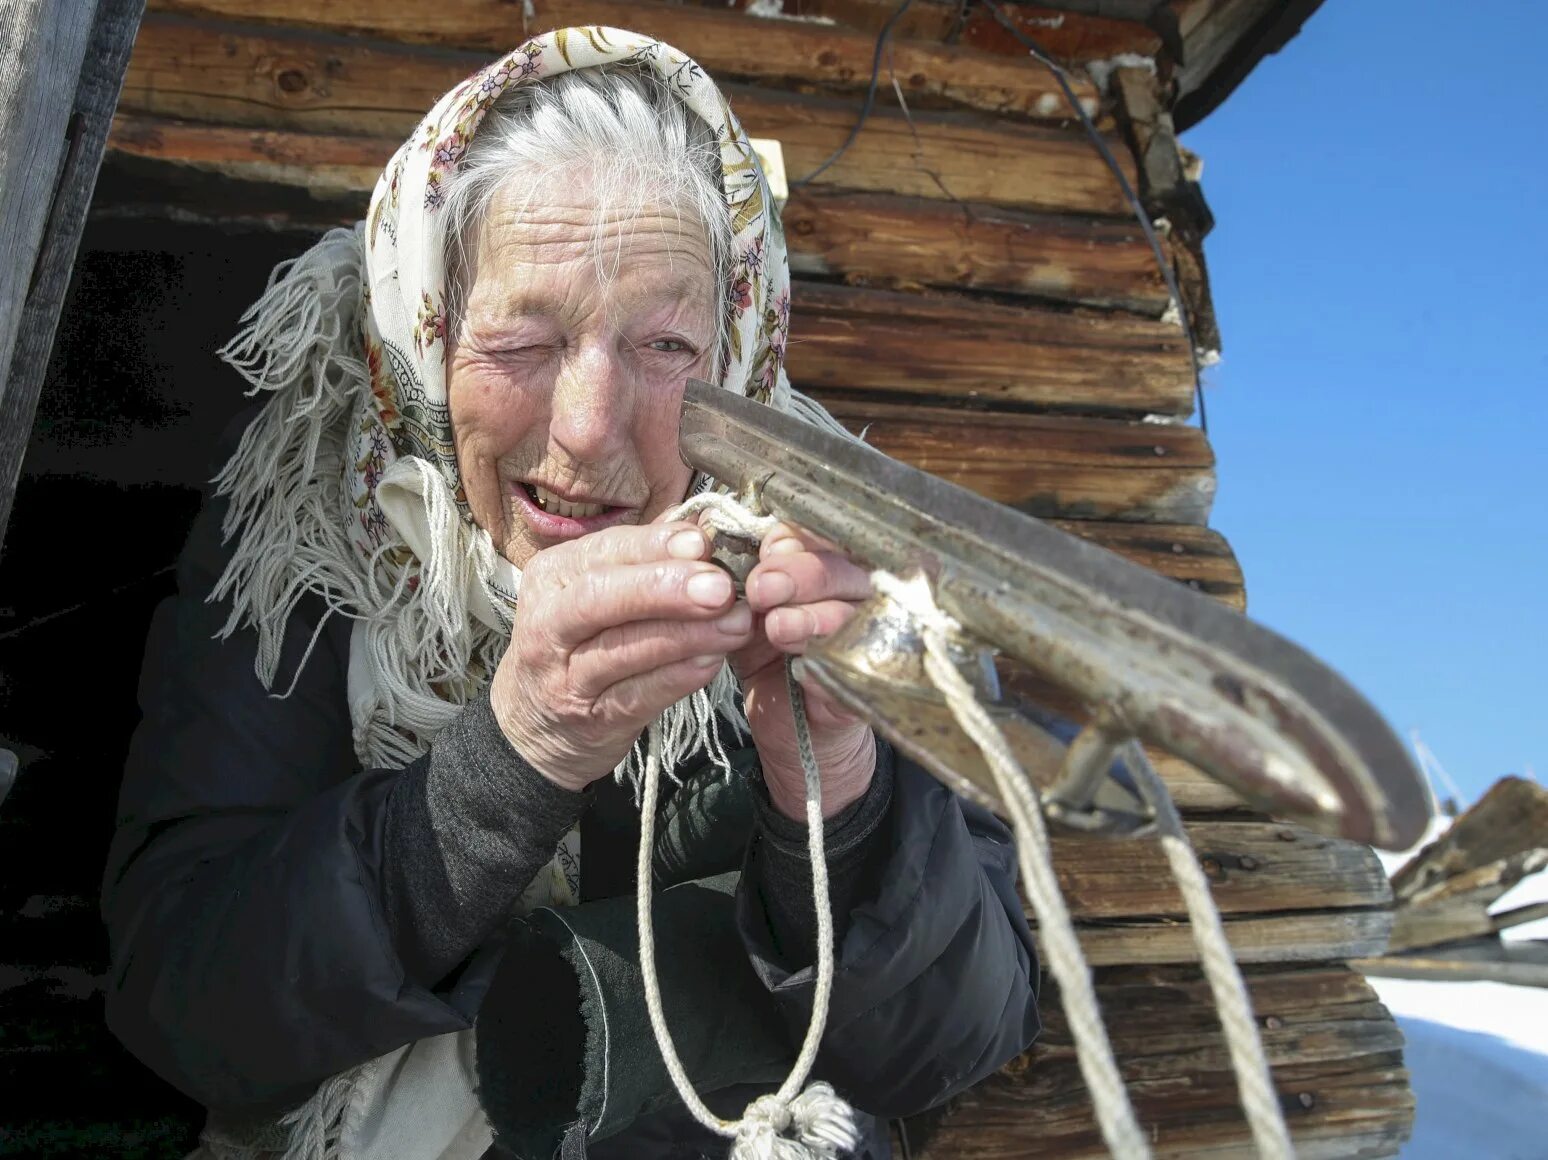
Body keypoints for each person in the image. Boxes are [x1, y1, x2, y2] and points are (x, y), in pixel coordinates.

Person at [102, 27, 1039, 1160]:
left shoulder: (846, 558)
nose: (589, 431)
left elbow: (954, 1043)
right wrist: (518, 752)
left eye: (665, 344)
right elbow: (183, 1002)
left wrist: (839, 782)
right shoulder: (300, 547)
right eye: (521, 341)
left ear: (738, 342)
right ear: (426, 334)